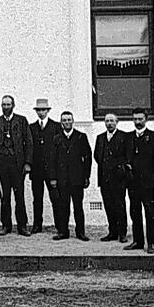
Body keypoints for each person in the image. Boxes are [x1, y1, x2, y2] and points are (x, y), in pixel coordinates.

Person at [124, 110, 154, 253]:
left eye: (140, 119)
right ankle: (138, 241)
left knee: (149, 211)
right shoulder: (128, 137)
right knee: (134, 211)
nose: (137, 122)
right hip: (132, 180)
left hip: (147, 181)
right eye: (135, 119)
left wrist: (153, 165)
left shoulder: (153, 136)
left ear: (146, 119)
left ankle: (151, 243)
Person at [0, 95, 32, 236]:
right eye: (4, 105)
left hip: (17, 165)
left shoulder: (21, 121)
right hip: (2, 165)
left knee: (19, 197)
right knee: (4, 197)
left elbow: (29, 143)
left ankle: (22, 226)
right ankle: (5, 225)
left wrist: (27, 163)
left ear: (13, 105)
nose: (6, 107)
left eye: (8, 104)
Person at [47, 110, 93, 241]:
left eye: (69, 120)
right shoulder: (56, 138)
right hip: (62, 179)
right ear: (61, 123)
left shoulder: (81, 137)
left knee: (78, 206)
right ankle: (63, 231)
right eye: (64, 120)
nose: (67, 122)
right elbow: (51, 160)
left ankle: (80, 232)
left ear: (73, 121)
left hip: (77, 179)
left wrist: (86, 176)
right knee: (63, 206)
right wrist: (53, 178)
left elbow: (87, 157)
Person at [94, 112, 132, 243]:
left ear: (117, 122)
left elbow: (127, 156)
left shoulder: (124, 137)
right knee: (108, 205)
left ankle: (122, 233)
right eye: (107, 121)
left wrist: (118, 167)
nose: (109, 123)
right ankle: (112, 232)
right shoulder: (100, 138)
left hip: (119, 178)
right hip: (105, 178)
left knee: (119, 205)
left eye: (112, 121)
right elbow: (97, 156)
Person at [28, 101, 58, 233]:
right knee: (37, 198)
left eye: (43, 110)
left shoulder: (55, 126)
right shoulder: (31, 127)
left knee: (55, 198)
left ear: (48, 111)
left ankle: (59, 224)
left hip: (51, 170)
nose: (41, 112)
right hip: (37, 169)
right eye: (39, 110)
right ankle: (37, 225)